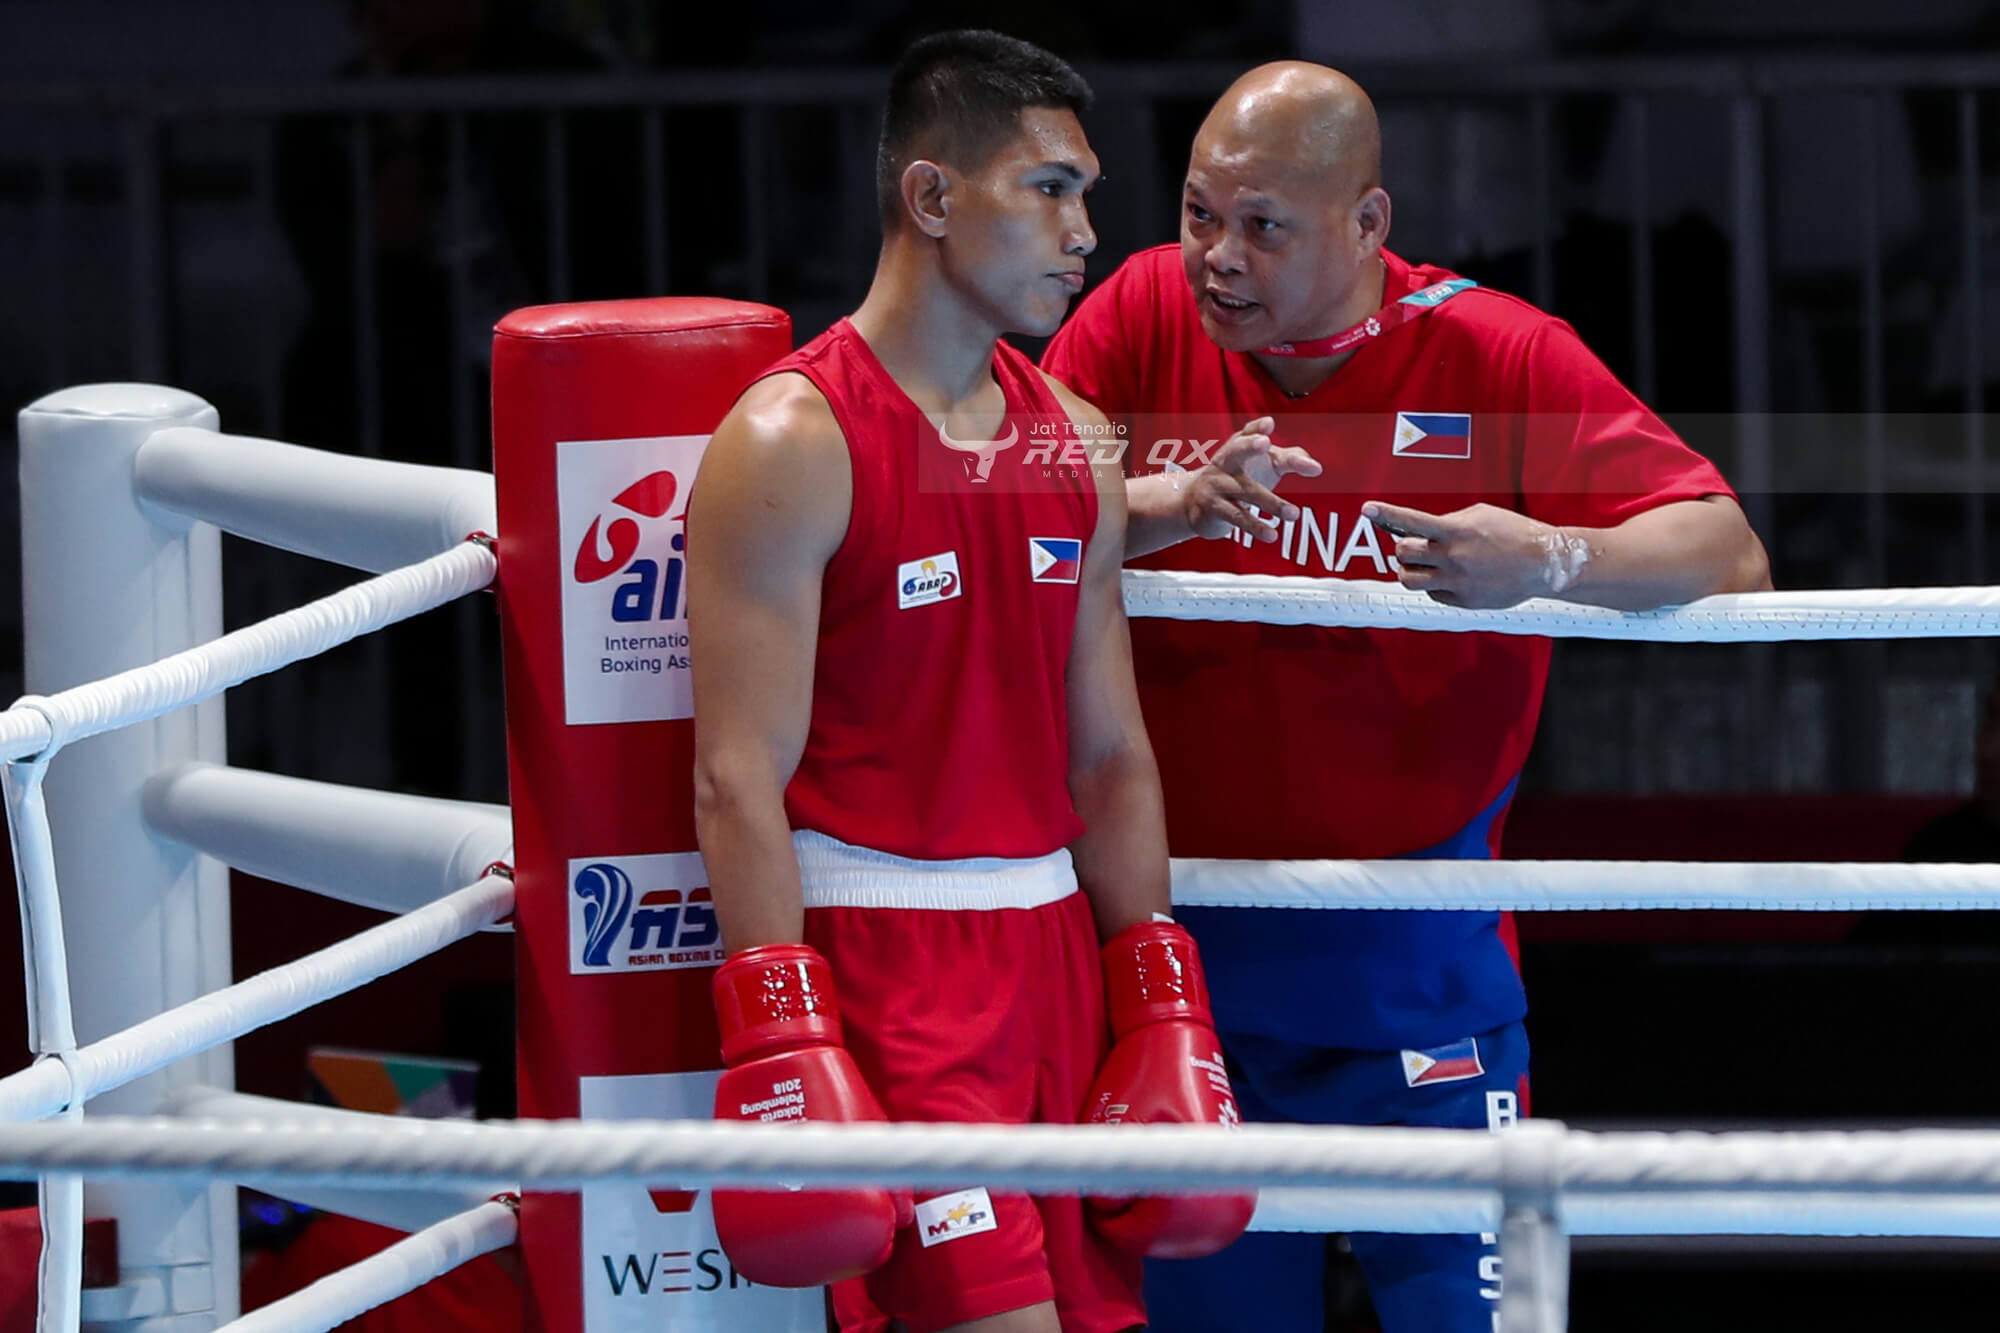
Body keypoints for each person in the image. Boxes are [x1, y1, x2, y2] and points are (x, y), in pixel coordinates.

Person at [1042, 61, 1773, 1333]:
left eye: (1263, 225)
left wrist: (1549, 558)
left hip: (1416, 968)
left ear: (1367, 226)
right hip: (1177, 974)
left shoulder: (1498, 352)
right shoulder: (1139, 314)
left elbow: (1726, 545)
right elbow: (1026, 499)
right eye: (1198, 213)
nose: (1217, 256)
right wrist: (1160, 506)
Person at [686, 31, 1251, 1333]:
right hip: (891, 971)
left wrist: (1154, 990)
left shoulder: (1080, 446)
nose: (1087, 233)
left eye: (1088, 194)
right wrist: (784, 1029)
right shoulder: (794, 440)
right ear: (933, 199)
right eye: (1049, 189)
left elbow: (1110, 753)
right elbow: (735, 774)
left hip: (1054, 956)